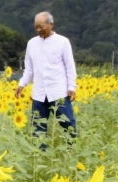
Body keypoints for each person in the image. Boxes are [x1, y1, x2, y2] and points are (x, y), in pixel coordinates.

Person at [14, 12, 77, 144]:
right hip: (39, 93)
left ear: (51, 24)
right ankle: (40, 154)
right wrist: (22, 84)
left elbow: (70, 66)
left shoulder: (63, 42)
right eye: (36, 27)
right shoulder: (31, 44)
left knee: (68, 124)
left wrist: (71, 86)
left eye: (41, 27)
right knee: (38, 128)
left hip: (58, 93)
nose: (38, 30)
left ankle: (71, 151)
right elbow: (29, 69)